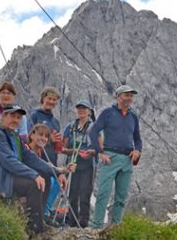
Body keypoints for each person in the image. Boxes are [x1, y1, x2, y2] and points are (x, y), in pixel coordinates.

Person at [0, 105, 56, 235]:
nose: (16, 120)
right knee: (34, 185)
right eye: (12, 116)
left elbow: (31, 158)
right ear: (3, 117)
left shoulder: (13, 136)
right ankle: (36, 231)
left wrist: (57, 172)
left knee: (46, 178)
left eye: (18, 117)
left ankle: (39, 220)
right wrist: (33, 175)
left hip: (8, 176)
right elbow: (9, 162)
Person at [88, 85, 142, 229]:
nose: (129, 98)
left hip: (127, 159)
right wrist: (100, 152)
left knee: (122, 196)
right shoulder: (107, 113)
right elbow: (93, 131)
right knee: (103, 193)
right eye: (126, 95)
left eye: (131, 95)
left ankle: (116, 227)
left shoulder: (133, 117)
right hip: (110, 156)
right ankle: (96, 227)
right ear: (118, 96)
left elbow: (138, 139)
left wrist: (138, 151)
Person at [28, 87, 65, 217]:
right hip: (39, 158)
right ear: (43, 99)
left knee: (55, 185)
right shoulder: (35, 115)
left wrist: (58, 144)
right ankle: (40, 214)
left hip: (52, 158)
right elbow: (30, 136)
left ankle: (46, 213)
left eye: (54, 100)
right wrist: (50, 139)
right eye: (49, 98)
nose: (51, 102)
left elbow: (56, 144)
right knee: (45, 186)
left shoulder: (55, 121)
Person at [61, 99, 96, 227]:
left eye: (84, 108)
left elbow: (99, 148)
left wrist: (90, 153)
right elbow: (62, 148)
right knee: (72, 194)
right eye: (79, 108)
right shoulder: (70, 127)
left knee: (85, 193)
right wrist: (73, 151)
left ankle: (83, 223)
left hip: (88, 165)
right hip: (72, 164)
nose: (81, 110)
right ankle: (72, 222)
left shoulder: (94, 128)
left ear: (89, 112)